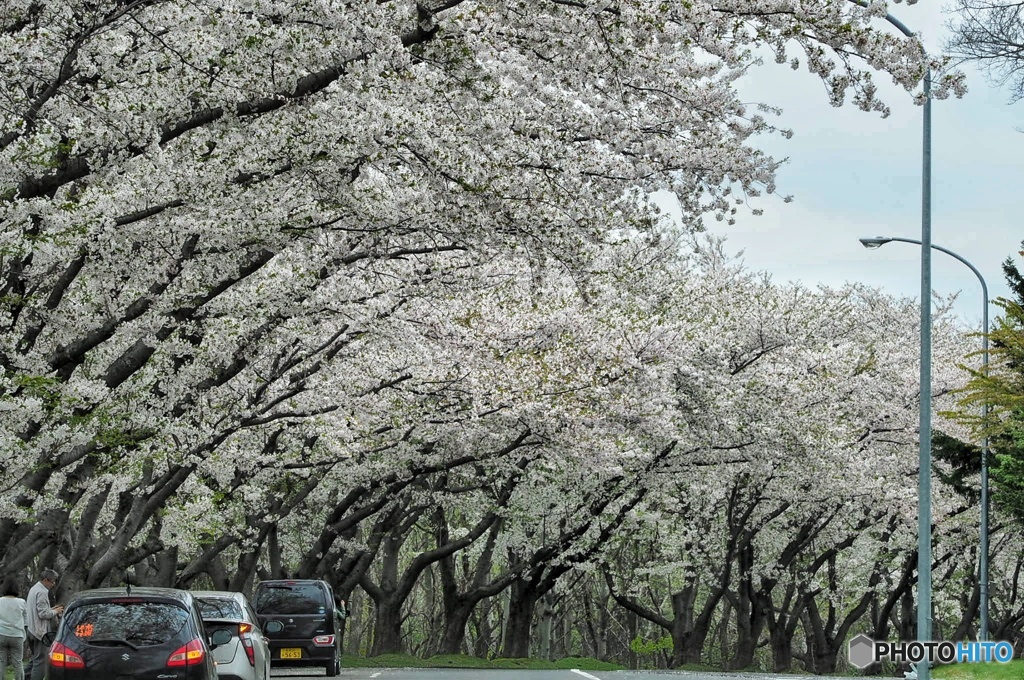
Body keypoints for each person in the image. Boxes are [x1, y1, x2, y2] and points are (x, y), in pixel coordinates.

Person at [24, 569, 62, 680]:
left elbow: (39, 610)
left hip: (31, 628)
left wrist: (52, 609)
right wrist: (56, 611)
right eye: (52, 582)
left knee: (35, 659)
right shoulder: (42, 592)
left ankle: (23, 676)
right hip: (39, 632)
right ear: (46, 580)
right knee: (40, 661)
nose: (53, 584)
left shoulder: (34, 589)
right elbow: (43, 614)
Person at [0, 577, 28, 680]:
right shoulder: (21, 602)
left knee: (1, 661)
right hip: (17, 635)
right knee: (18, 662)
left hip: (1, 634)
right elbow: (26, 620)